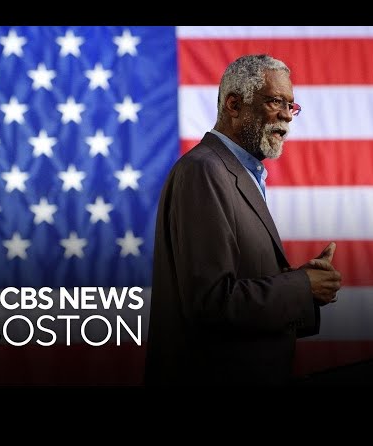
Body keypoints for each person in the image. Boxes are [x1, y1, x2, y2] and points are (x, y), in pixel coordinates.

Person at [144, 54, 342, 386]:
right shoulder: (204, 170)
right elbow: (211, 301)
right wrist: (301, 286)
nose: (286, 117)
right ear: (234, 105)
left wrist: (305, 289)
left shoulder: (240, 174)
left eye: (291, 106)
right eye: (276, 101)